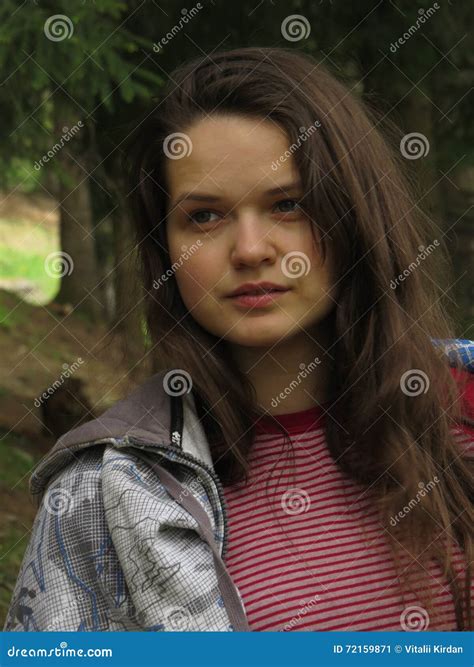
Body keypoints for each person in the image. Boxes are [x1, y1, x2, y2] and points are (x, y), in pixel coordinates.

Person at [4, 47, 473, 633]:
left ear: (355, 215)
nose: (251, 250)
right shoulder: (99, 499)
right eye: (205, 217)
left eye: (288, 205)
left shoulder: (462, 415)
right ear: (165, 249)